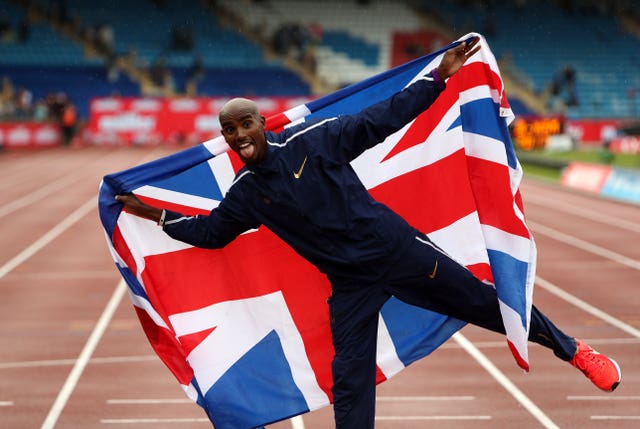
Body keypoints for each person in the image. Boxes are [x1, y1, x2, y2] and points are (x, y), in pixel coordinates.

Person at [116, 37, 621, 429]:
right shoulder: (247, 192)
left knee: (488, 305)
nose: (238, 136)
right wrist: (152, 213)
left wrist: (436, 81)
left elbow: (380, 120)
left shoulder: (314, 141)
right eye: (229, 131)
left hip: (397, 250)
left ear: (261, 123)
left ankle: (575, 350)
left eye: (244, 124)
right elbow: (212, 234)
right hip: (350, 285)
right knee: (350, 378)